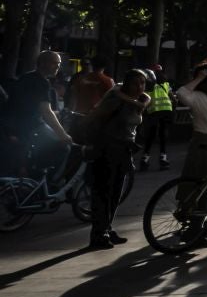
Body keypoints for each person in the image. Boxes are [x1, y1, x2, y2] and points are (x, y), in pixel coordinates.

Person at [83, 68, 148, 247]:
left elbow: (146, 100)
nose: (139, 87)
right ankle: (98, 234)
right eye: (135, 83)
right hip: (107, 149)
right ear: (126, 84)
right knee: (103, 192)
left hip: (123, 150)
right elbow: (95, 118)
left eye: (142, 83)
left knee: (115, 193)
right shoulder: (114, 100)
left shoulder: (138, 100)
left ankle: (107, 228)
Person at [3, 50, 73, 178]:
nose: (57, 66)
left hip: (11, 126)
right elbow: (46, 111)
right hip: (31, 125)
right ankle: (39, 176)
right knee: (63, 147)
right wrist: (63, 135)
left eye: (59, 63)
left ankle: (29, 169)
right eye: (54, 63)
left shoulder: (25, 77)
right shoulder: (42, 83)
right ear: (42, 63)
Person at [138, 69, 173, 171]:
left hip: (153, 112)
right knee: (163, 134)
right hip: (166, 110)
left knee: (151, 134)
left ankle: (145, 158)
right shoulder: (165, 85)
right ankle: (163, 157)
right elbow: (173, 98)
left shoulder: (146, 87)